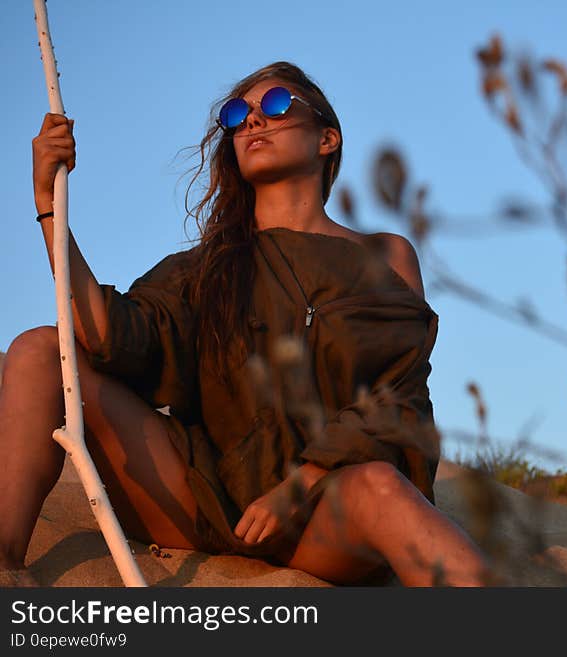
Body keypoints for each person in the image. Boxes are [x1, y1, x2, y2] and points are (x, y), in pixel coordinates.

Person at [0, 61, 490, 587]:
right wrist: (50, 204)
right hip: (206, 495)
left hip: (327, 508)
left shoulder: (384, 255)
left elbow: (399, 392)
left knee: (382, 487)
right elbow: (104, 338)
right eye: (238, 115)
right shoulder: (205, 268)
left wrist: (302, 482)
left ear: (327, 138)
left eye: (276, 105)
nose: (253, 121)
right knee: (38, 351)